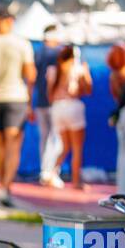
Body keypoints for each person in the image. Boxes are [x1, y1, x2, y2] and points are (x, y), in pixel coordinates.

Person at [0, 4, 36, 207]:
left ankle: (1, 184)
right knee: (14, 145)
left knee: (0, 145)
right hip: (16, 97)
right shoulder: (22, 44)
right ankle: (6, 187)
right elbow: (31, 75)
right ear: (10, 22)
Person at [47, 45, 93, 190]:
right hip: (72, 107)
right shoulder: (78, 69)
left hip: (57, 108)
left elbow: (49, 95)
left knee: (65, 145)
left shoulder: (53, 70)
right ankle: (76, 181)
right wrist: (86, 72)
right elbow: (88, 89)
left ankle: (52, 173)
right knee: (77, 147)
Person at [32, 24, 64, 188]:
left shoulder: (38, 53)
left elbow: (32, 79)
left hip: (42, 102)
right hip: (53, 102)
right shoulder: (57, 53)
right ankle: (48, 172)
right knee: (55, 139)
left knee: (46, 138)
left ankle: (46, 171)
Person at [107, 42, 125, 194]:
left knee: (124, 152)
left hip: (122, 116)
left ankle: (124, 187)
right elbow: (124, 97)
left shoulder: (115, 75)